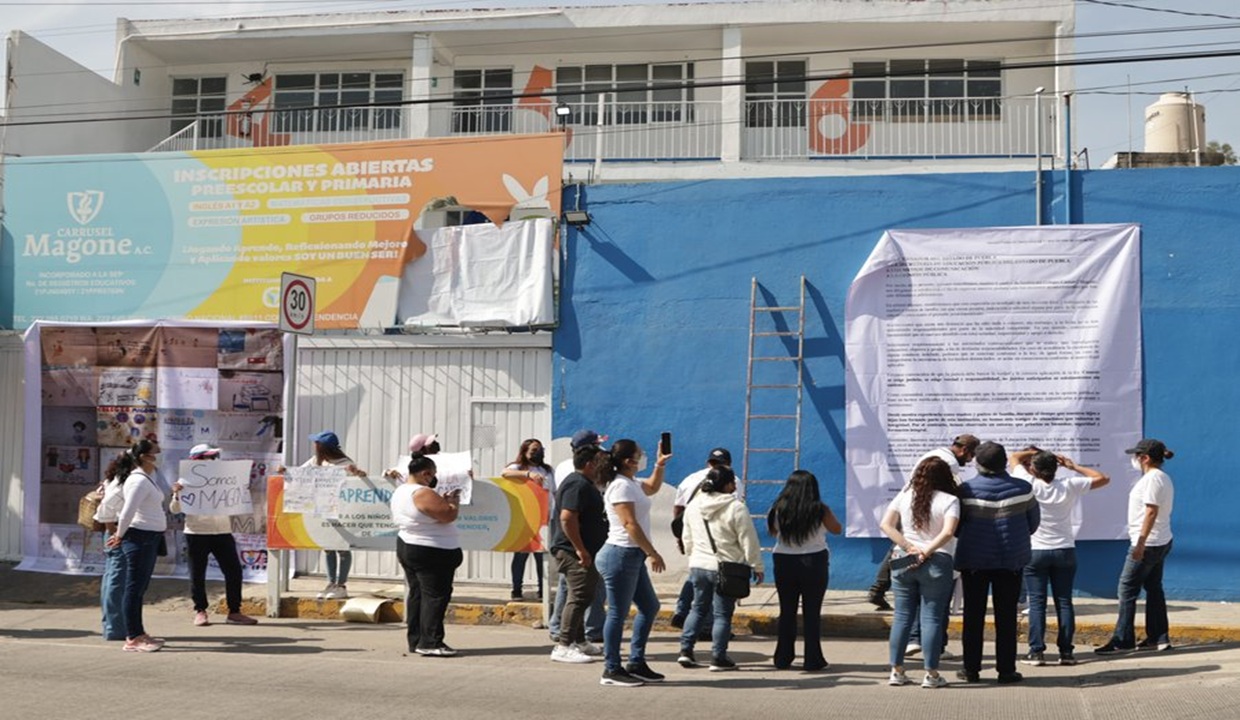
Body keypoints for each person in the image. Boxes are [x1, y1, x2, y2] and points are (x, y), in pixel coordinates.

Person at [1008, 447, 1109, 666]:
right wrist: (1073, 467)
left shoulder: (1029, 483)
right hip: (1065, 550)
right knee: (1064, 602)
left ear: (1033, 469)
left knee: (1037, 603)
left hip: (1035, 551)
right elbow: (1102, 478)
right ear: (1056, 469)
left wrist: (1032, 451)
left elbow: (1014, 457)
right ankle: (1066, 652)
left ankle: (1036, 652)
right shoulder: (1069, 485)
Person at [954, 441, 1040, 684]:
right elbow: (1033, 524)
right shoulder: (1023, 488)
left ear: (978, 463)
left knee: (973, 616)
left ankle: (971, 670)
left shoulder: (966, 491)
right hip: (1010, 561)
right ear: (1004, 463)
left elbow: (956, 527)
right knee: (1006, 616)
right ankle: (1006, 670)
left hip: (974, 562)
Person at [869, 435, 978, 612]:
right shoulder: (950, 463)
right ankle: (880, 588)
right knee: (905, 547)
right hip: (923, 505)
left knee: (900, 546)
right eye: (971, 455)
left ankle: (879, 588)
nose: (970, 460)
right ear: (965, 450)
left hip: (912, 503)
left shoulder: (937, 453)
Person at [880, 456, 961, 688]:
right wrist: (927, 551)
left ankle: (896, 671)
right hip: (937, 562)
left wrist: (908, 547)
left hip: (903, 560)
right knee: (932, 618)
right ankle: (932, 674)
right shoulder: (950, 500)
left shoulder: (904, 496)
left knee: (902, 617)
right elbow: (948, 532)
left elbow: (885, 524)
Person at [596, 438, 670, 687]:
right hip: (620, 554)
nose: (643, 457)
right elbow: (629, 524)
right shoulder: (620, 487)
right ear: (629, 461)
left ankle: (636, 662)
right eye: (641, 454)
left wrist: (659, 465)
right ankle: (611, 669)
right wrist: (652, 552)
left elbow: (652, 487)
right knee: (617, 613)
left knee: (649, 607)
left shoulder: (632, 483)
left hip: (631, 555)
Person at [678, 466, 764, 671]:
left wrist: (693, 556)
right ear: (726, 485)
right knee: (722, 615)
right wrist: (756, 565)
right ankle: (718, 657)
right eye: (733, 483)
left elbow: (686, 536)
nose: (735, 487)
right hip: (726, 567)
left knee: (697, 608)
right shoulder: (736, 507)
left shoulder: (694, 505)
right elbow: (748, 540)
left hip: (698, 565)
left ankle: (685, 651)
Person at [1096, 438, 1176, 654]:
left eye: (1137, 456)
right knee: (1153, 588)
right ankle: (1158, 638)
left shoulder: (1152, 479)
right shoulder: (1163, 477)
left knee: (1127, 589)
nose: (1134, 460)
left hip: (1148, 543)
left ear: (1145, 458)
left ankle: (1123, 640)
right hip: (1161, 540)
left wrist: (1140, 543)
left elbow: (1151, 511)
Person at [169, 443, 258, 627]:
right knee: (197, 573)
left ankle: (234, 611)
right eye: (208, 457)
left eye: (213, 457)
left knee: (233, 571)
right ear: (197, 460)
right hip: (197, 532)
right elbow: (175, 509)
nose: (212, 460)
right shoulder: (185, 481)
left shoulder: (224, 477)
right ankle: (200, 610)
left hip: (222, 531)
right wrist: (177, 494)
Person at [767, 469, 842, 671]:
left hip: (783, 560)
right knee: (812, 611)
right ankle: (812, 658)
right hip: (814, 560)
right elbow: (837, 529)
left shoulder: (778, 508)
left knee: (787, 610)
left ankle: (783, 657)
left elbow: (772, 532)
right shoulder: (820, 509)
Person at [391, 453, 464, 657]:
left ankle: (417, 640)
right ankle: (431, 642)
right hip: (430, 550)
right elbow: (448, 515)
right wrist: (453, 501)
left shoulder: (401, 490)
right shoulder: (422, 492)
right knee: (434, 597)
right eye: (433, 475)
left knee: (418, 594)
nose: (434, 479)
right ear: (426, 474)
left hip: (411, 545)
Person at [548, 444, 610, 663]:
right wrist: (580, 549)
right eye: (600, 462)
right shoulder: (577, 484)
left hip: (584, 551)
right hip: (573, 551)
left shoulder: (585, 484)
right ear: (589, 464)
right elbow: (567, 518)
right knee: (578, 597)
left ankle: (580, 641)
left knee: (584, 595)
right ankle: (563, 646)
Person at [105, 439, 167, 653]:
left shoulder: (147, 478)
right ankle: (132, 637)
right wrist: (119, 535)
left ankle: (138, 632)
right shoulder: (138, 480)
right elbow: (128, 511)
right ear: (144, 457)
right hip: (139, 537)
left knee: (138, 588)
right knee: (134, 588)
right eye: (156, 452)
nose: (159, 454)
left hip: (149, 536)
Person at [301, 430, 367, 600]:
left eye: (317, 443)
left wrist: (357, 473)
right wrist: (285, 471)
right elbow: (301, 473)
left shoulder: (345, 462)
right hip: (323, 509)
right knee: (328, 547)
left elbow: (356, 480)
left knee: (343, 548)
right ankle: (331, 583)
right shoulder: (316, 461)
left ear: (323, 446)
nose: (314, 445)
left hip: (342, 510)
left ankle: (341, 585)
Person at [670, 447, 732, 629]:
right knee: (715, 581)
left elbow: (678, 510)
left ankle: (681, 613)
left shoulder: (689, 479)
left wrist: (681, 537)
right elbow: (734, 509)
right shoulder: (731, 478)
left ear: (708, 462)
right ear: (728, 465)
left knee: (697, 573)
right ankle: (707, 626)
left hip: (694, 534)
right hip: (718, 539)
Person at [502, 438, 554, 600]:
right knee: (521, 555)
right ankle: (517, 589)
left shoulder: (547, 470)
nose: (537, 453)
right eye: (533, 450)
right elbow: (505, 473)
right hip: (525, 518)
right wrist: (528, 474)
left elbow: (554, 491)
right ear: (524, 452)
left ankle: (542, 590)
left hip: (544, 518)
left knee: (541, 556)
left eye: (540, 450)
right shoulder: (518, 467)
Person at [94, 454, 127, 641]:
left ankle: (112, 625)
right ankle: (115, 627)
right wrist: (114, 531)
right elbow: (105, 510)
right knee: (116, 580)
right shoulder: (119, 484)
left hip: (115, 533)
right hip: (118, 533)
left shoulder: (112, 481)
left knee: (112, 578)